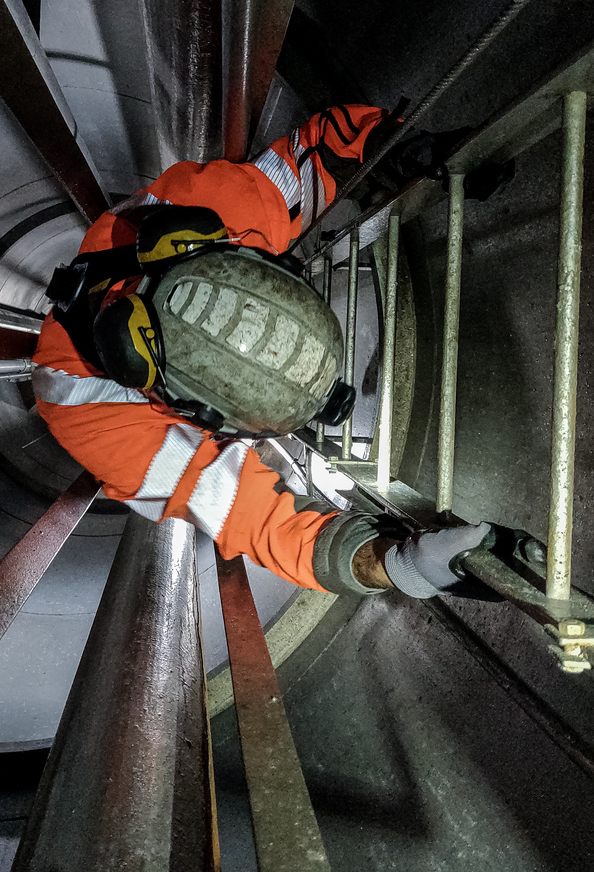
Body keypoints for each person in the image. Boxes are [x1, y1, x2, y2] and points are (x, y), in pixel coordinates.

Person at [32, 104, 491, 600]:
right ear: (194, 412)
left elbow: (316, 157)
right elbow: (242, 514)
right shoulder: (85, 410)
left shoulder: (223, 212)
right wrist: (388, 565)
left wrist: (405, 149)